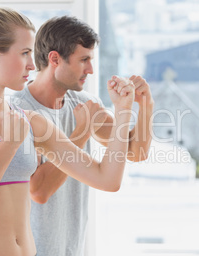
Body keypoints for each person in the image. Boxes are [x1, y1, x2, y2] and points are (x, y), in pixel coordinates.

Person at [0, 7, 135, 256]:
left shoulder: (30, 121)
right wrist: (9, 145)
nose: (32, 64)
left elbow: (107, 179)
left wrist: (123, 111)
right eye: (24, 53)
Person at [11, 15, 154, 256]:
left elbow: (135, 152)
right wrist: (82, 132)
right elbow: (39, 191)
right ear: (54, 59)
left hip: (73, 249)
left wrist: (144, 104)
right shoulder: (18, 112)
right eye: (84, 60)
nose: (91, 69)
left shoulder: (86, 104)